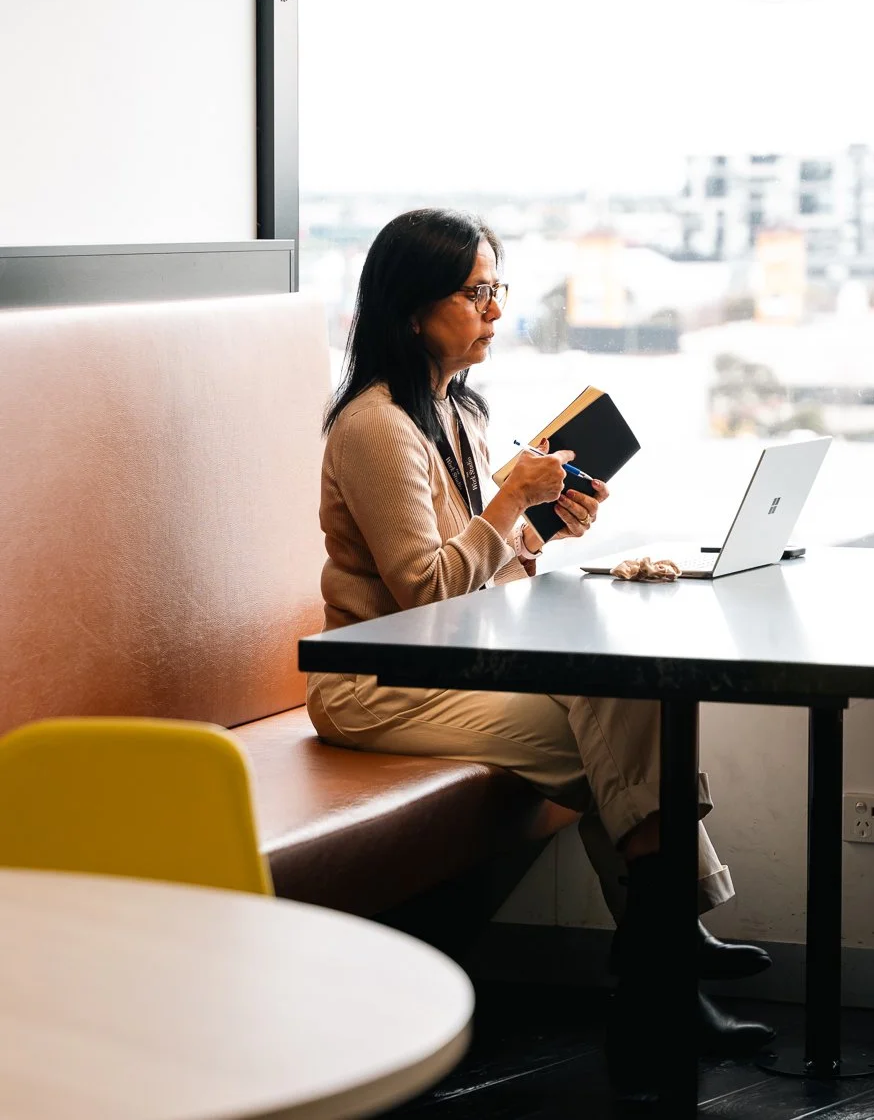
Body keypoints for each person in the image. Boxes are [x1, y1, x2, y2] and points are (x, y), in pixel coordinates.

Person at [305, 208, 774, 1082]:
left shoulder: (458, 412)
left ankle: (660, 969)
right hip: (376, 683)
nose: (492, 310)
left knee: (627, 702)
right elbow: (424, 591)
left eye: (497, 290)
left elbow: (479, 576)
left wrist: (541, 532)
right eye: (475, 292)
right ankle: (665, 964)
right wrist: (509, 505)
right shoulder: (376, 427)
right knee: (620, 742)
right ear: (413, 310)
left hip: (446, 663)